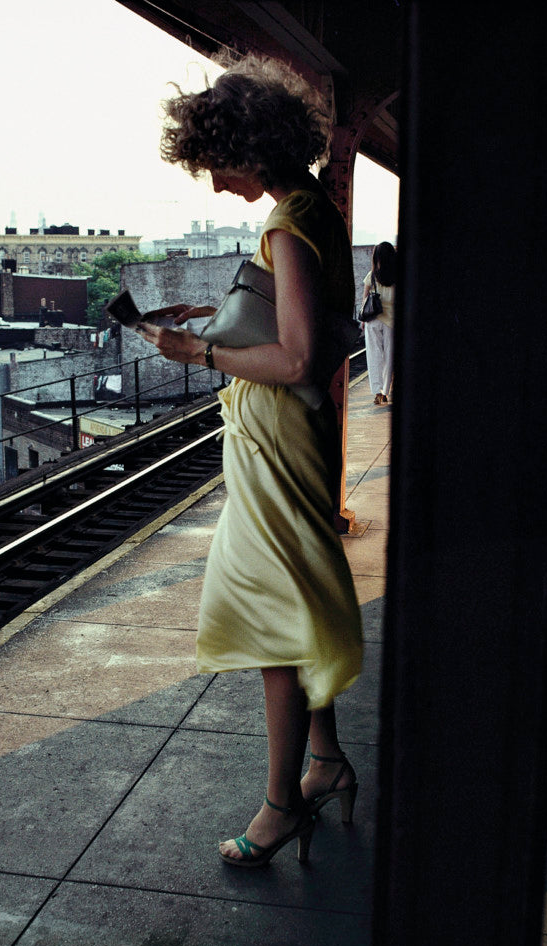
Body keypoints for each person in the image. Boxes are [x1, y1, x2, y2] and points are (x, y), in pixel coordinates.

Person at [141, 55, 363, 867]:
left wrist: (196, 349)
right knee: (290, 600)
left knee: (273, 618)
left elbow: (300, 359)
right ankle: (327, 763)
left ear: (248, 148)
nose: (210, 183)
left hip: (277, 440)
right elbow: (300, 323)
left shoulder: (285, 224)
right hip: (284, 440)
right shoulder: (315, 209)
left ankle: (279, 807)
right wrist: (224, 315)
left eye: (214, 164)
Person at [361, 242, 397, 404]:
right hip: (391, 321)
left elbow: (364, 299)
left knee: (374, 356)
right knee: (389, 357)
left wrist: (363, 321)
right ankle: (386, 391)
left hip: (373, 320)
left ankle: (377, 392)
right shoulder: (397, 276)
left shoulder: (372, 275)